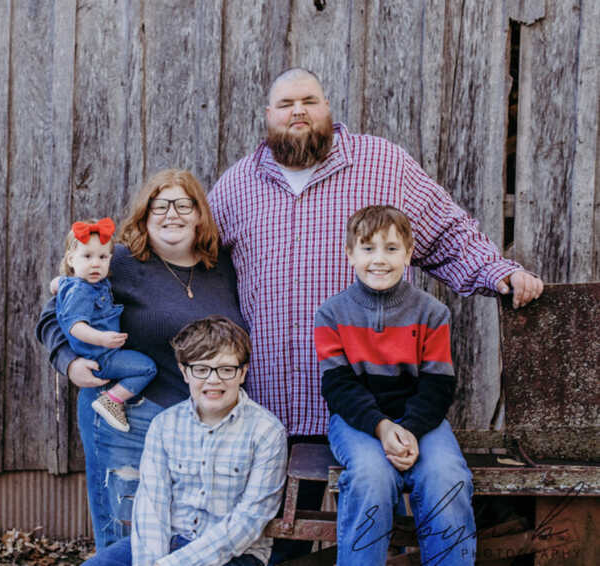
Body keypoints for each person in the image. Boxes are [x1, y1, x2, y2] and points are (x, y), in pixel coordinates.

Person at [208, 67, 542, 562]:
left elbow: (447, 233)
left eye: (309, 100)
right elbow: (195, 263)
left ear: (327, 107)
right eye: (285, 104)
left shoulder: (382, 163)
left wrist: (499, 273)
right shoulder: (237, 185)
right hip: (280, 397)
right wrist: (94, 287)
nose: (298, 111)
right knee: (285, 535)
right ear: (267, 116)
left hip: (381, 393)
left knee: (400, 492)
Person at [35, 169, 246, 549]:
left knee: (183, 538)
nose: (172, 214)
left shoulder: (223, 268)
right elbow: (54, 315)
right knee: (126, 536)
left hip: (199, 426)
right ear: (144, 216)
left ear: (200, 214)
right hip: (129, 416)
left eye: (184, 204)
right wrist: (68, 362)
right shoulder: (116, 262)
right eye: (159, 206)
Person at [315, 205, 476, 565]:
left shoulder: (432, 313)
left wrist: (412, 430)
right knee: (371, 477)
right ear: (349, 253)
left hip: (422, 420)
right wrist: (382, 426)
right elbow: (339, 386)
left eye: (391, 248)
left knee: (446, 477)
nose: (379, 260)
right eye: (368, 248)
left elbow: (438, 385)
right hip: (359, 422)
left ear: (409, 252)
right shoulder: (332, 314)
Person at [84, 315, 287, 566]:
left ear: (242, 372)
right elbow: (152, 507)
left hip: (236, 553)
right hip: (170, 541)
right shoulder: (164, 426)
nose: (213, 380)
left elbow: (249, 520)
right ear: (184, 372)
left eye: (226, 369)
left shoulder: (267, 432)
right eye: (201, 369)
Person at [54, 217, 157, 432]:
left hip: (100, 353)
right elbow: (75, 326)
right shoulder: (81, 290)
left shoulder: (78, 283)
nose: (95, 264)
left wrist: (57, 283)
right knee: (147, 368)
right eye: (87, 256)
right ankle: (112, 400)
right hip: (100, 357)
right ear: (71, 259)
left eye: (102, 257)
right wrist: (101, 338)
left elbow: (57, 283)